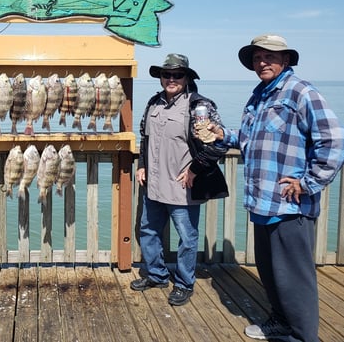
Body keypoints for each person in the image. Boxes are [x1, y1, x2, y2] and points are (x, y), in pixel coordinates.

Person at [210, 34, 344, 341]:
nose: (262, 62)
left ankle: (301, 335)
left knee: (295, 279)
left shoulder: (301, 91)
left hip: (290, 205)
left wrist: (308, 182)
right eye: (257, 58)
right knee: (272, 274)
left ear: (285, 60)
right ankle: (281, 322)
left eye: (269, 56)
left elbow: (333, 140)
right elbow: (248, 138)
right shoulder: (260, 95)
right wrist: (222, 134)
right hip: (263, 202)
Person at [131, 53, 228, 306]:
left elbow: (218, 145)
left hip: (183, 185)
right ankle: (157, 275)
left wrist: (195, 169)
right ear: (161, 77)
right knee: (148, 231)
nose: (171, 79)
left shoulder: (200, 106)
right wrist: (142, 166)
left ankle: (185, 283)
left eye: (177, 75)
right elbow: (145, 139)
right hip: (152, 183)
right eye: (167, 74)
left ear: (187, 78)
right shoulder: (153, 103)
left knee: (187, 237)